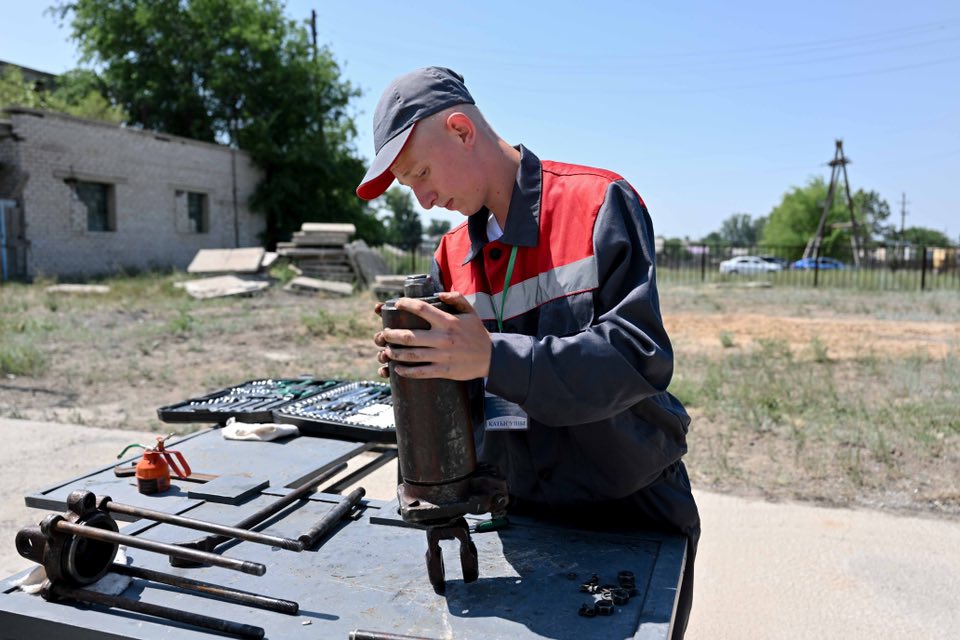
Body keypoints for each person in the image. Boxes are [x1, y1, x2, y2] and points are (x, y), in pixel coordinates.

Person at [357, 66, 700, 639]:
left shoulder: (596, 206)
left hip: (629, 506)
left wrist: (492, 356)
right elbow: (464, 396)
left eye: (419, 173)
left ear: (462, 130)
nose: (422, 199)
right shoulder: (452, 253)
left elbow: (637, 357)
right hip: (524, 517)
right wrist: (423, 373)